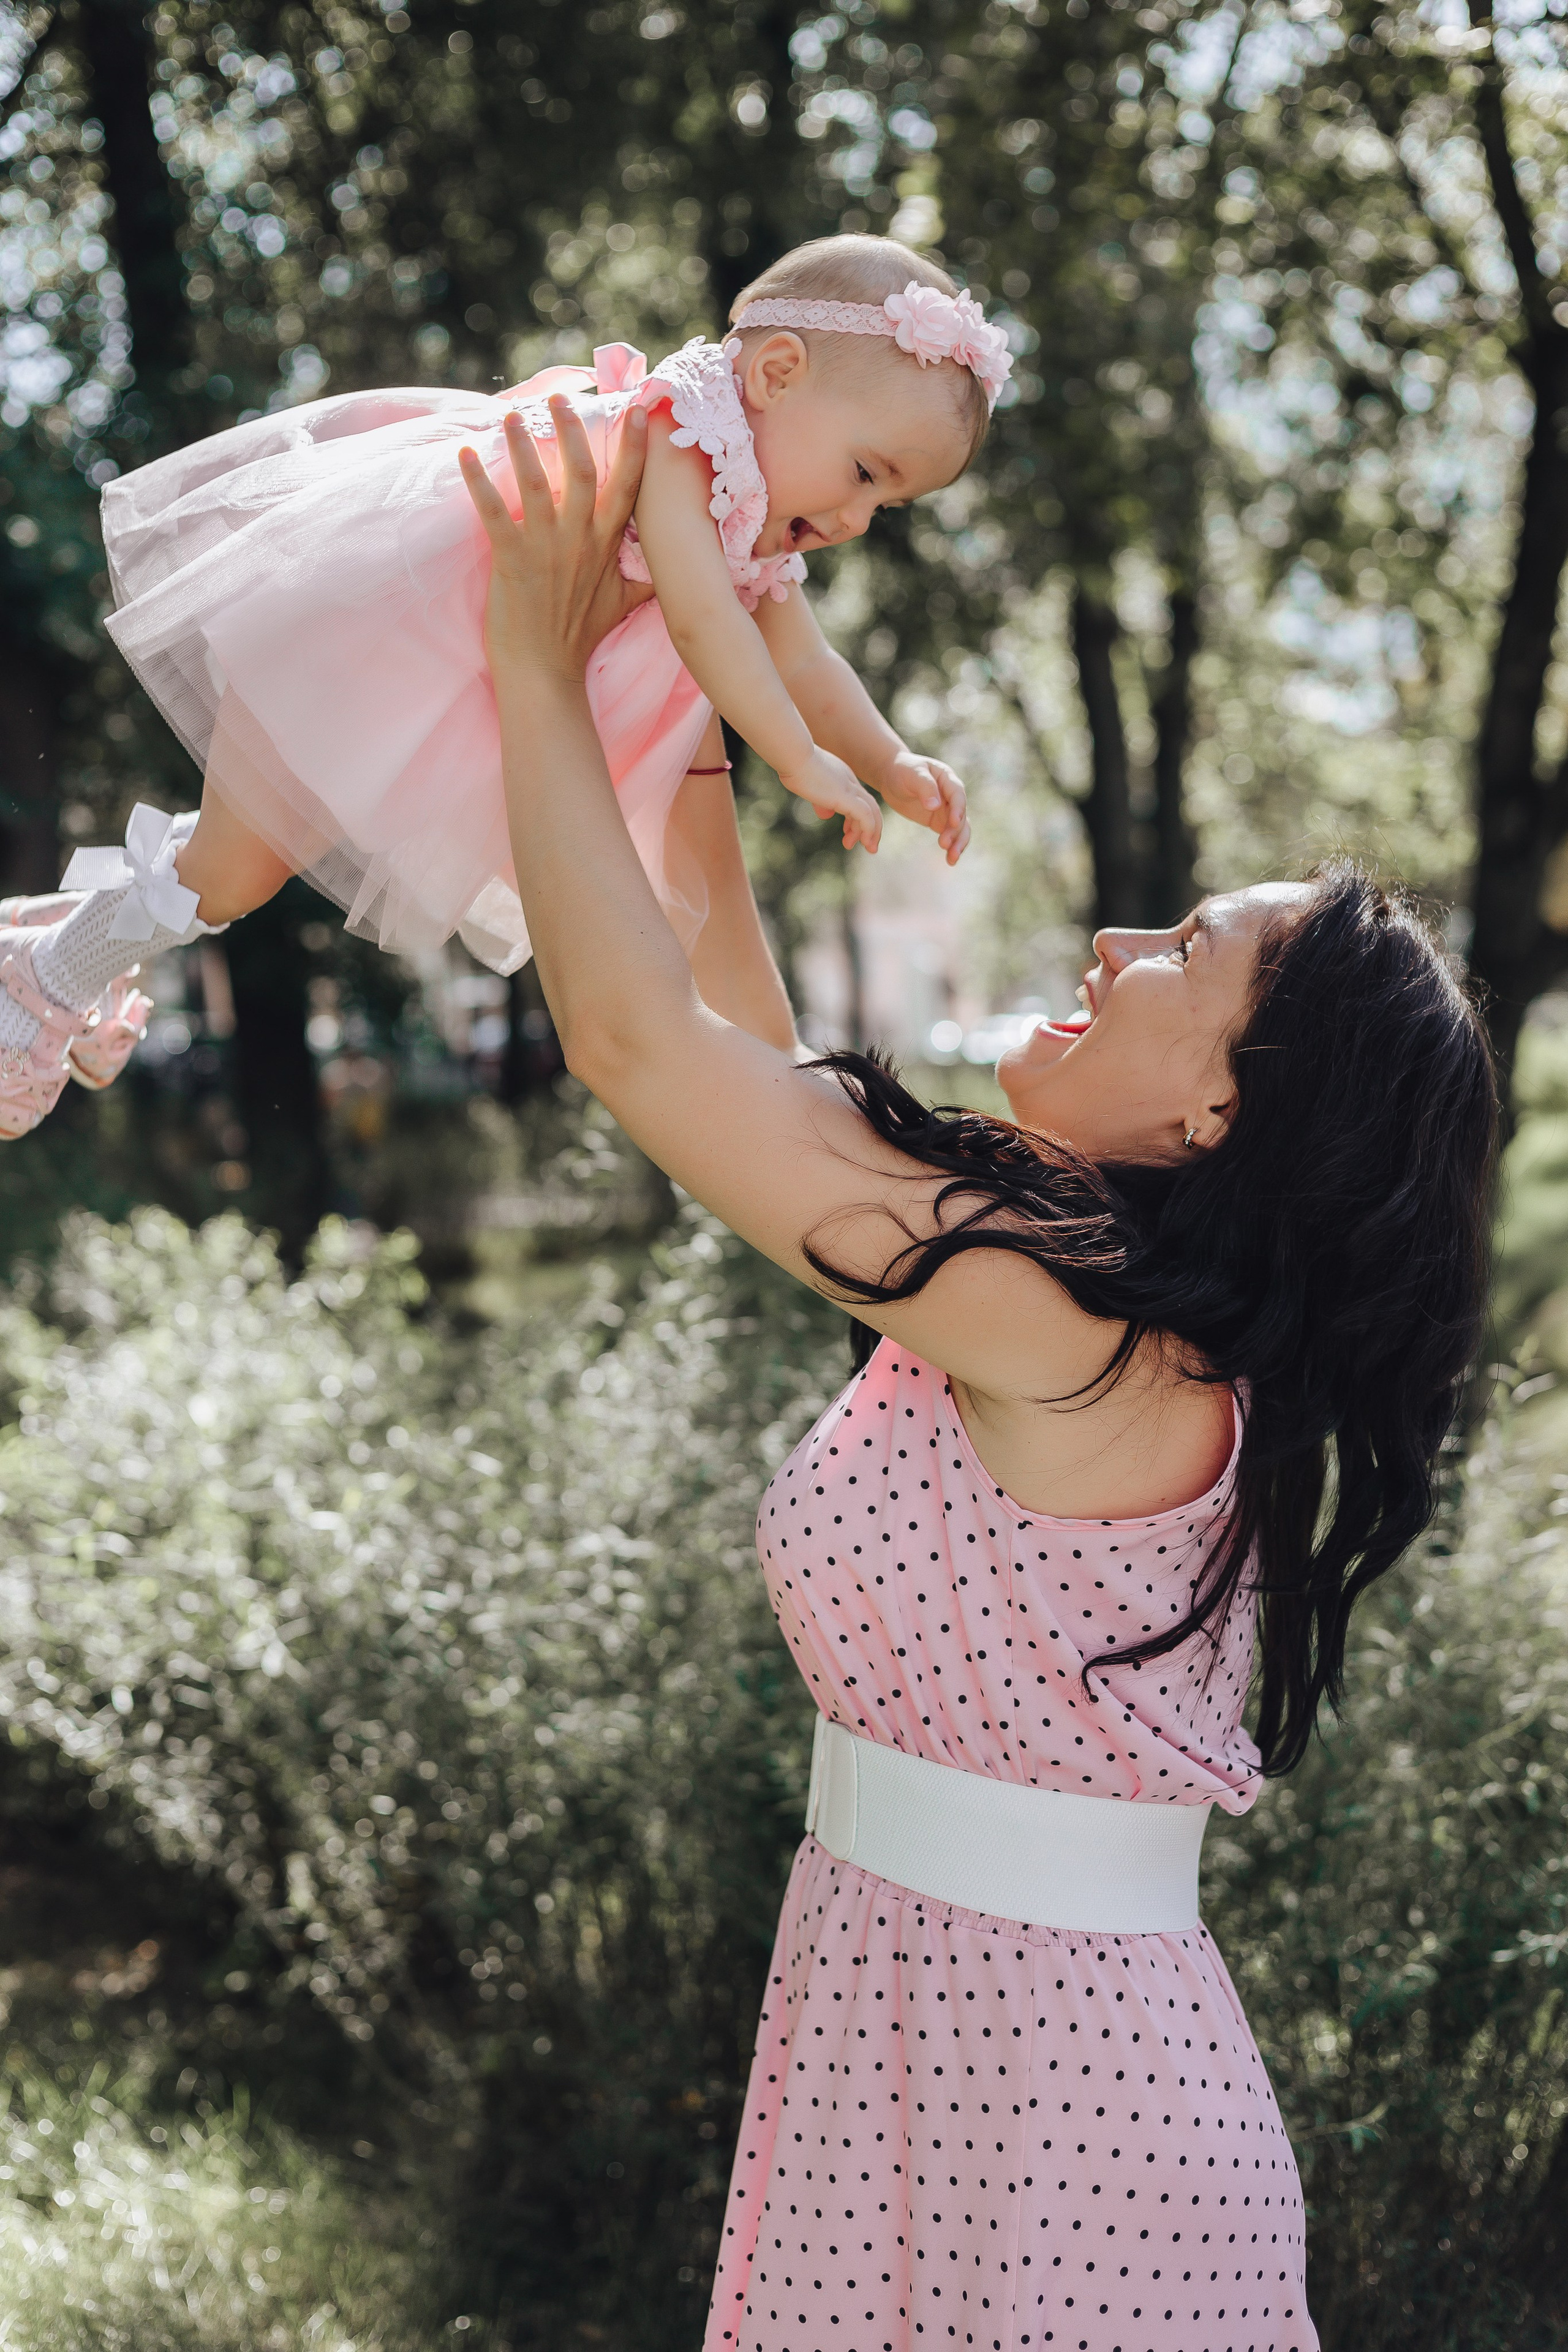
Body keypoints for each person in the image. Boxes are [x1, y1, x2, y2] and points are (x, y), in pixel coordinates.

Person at [453, 402, 1498, 2352]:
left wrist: (523, 643)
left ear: (1219, 1105)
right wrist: (689, 665)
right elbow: (719, 1022)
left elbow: (627, 1042)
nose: (1115, 939)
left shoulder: (1075, 1341)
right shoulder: (1043, 1302)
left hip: (1062, 2128)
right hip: (921, 2046)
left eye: (1185, 945)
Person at [0, 234, 1003, 1142]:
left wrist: (890, 759)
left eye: (892, 501)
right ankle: (47, 977)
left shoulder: (755, 518)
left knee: (242, 862)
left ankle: (71, 932)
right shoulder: (680, 439)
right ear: (779, 373)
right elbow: (702, 625)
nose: (863, 517)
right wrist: (800, 759)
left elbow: (808, 661)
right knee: (233, 867)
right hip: (373, 637)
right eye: (867, 473)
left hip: (445, 685)